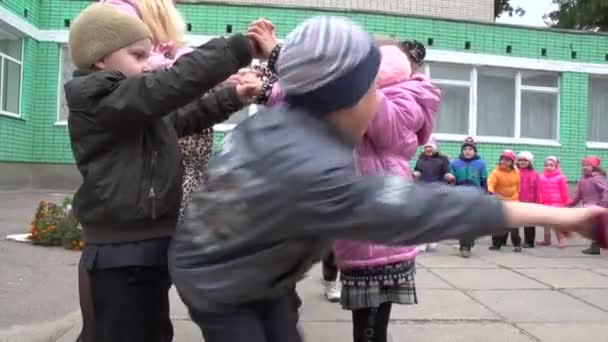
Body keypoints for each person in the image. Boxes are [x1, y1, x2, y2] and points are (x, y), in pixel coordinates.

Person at [168, 16, 607, 342]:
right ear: (344, 100)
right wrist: (570, 217)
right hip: (220, 285)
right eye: (372, 91)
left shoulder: (279, 125)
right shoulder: (311, 166)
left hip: (251, 271)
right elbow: (431, 209)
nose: (380, 103)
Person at [65, 4, 260, 341]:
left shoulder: (132, 107)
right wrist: (238, 48)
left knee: (153, 332)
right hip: (122, 253)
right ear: (100, 59)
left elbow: (182, 118)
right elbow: (172, 85)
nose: (147, 66)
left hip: (148, 245)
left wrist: (232, 97)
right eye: (138, 56)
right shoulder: (99, 99)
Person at [332, 38, 440, 342]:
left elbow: (387, 128)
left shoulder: (411, 95)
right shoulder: (356, 93)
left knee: (371, 326)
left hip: (383, 223)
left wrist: (360, 85)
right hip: (355, 218)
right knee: (365, 325)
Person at [449, 137, 488, 258]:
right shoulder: (455, 163)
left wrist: (484, 194)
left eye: (470, 149)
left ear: (475, 151)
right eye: (465, 149)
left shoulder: (481, 164)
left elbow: (483, 181)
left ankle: (469, 240)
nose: (467, 151)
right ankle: (464, 246)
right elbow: (451, 180)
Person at [413, 135, 452, 253]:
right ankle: (422, 242)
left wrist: (448, 177)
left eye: (430, 147)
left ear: (435, 148)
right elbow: (417, 171)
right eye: (426, 147)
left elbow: (446, 173)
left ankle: (433, 240)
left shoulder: (442, 160)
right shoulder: (420, 159)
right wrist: (415, 174)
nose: (428, 149)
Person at [568, 156, 608, 255]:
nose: (585, 167)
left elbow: (606, 191)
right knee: (593, 228)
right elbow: (579, 194)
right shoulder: (583, 179)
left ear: (594, 167)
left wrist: (602, 204)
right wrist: (572, 204)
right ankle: (595, 247)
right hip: (588, 206)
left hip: (597, 206)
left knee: (597, 228)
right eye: (583, 165)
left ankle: (595, 247)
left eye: (588, 165)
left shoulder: (598, 178)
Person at [488, 150, 522, 252]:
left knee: (513, 225)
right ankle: (496, 244)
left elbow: (517, 186)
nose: (504, 162)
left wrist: (517, 197)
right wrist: (490, 191)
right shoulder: (496, 172)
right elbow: (490, 183)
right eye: (502, 159)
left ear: (512, 162)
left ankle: (517, 244)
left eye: (507, 160)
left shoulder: (516, 172)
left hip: (513, 201)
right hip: (500, 200)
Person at [538, 156, 571, 248]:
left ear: (556, 166)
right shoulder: (541, 177)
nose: (548, 167)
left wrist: (567, 200)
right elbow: (539, 190)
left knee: (556, 222)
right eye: (546, 165)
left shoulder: (560, 177)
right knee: (546, 223)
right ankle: (546, 240)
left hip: (556, 203)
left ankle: (562, 240)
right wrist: (539, 200)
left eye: (551, 165)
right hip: (545, 203)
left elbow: (564, 190)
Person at [517, 151, 540, 248]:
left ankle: (529, 242)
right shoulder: (514, 171)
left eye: (525, 160)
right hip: (516, 200)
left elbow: (537, 189)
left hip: (529, 201)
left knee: (529, 223)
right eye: (520, 160)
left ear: (530, 162)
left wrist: (537, 202)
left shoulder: (534, 174)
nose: (522, 162)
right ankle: (515, 240)